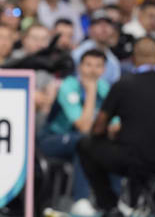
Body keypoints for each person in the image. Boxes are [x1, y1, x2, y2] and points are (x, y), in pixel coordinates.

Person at [77, 37, 155, 216]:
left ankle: (110, 206)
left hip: (133, 159)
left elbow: (98, 127)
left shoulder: (124, 84)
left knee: (85, 145)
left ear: (133, 58)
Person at [38, 49, 109, 217]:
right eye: (88, 65)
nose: (93, 70)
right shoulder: (68, 86)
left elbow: (114, 124)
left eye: (98, 66)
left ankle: (113, 203)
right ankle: (81, 201)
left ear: (104, 70)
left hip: (83, 143)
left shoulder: (105, 88)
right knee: (84, 142)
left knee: (106, 146)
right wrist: (91, 91)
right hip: (51, 140)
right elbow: (83, 127)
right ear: (80, 67)